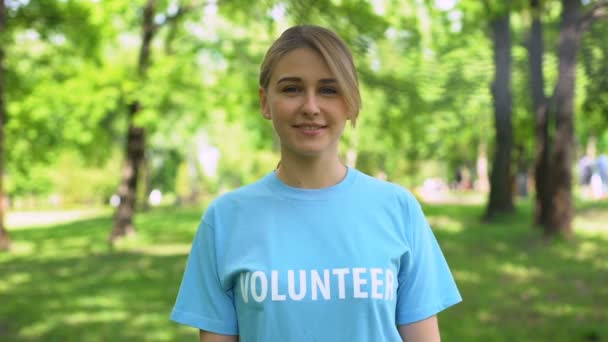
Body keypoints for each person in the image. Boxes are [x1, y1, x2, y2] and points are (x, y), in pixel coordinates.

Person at [170, 25, 462, 341]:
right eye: (292, 89)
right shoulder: (225, 219)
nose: (310, 107)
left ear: (350, 102)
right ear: (265, 101)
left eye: (328, 90)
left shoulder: (398, 209)